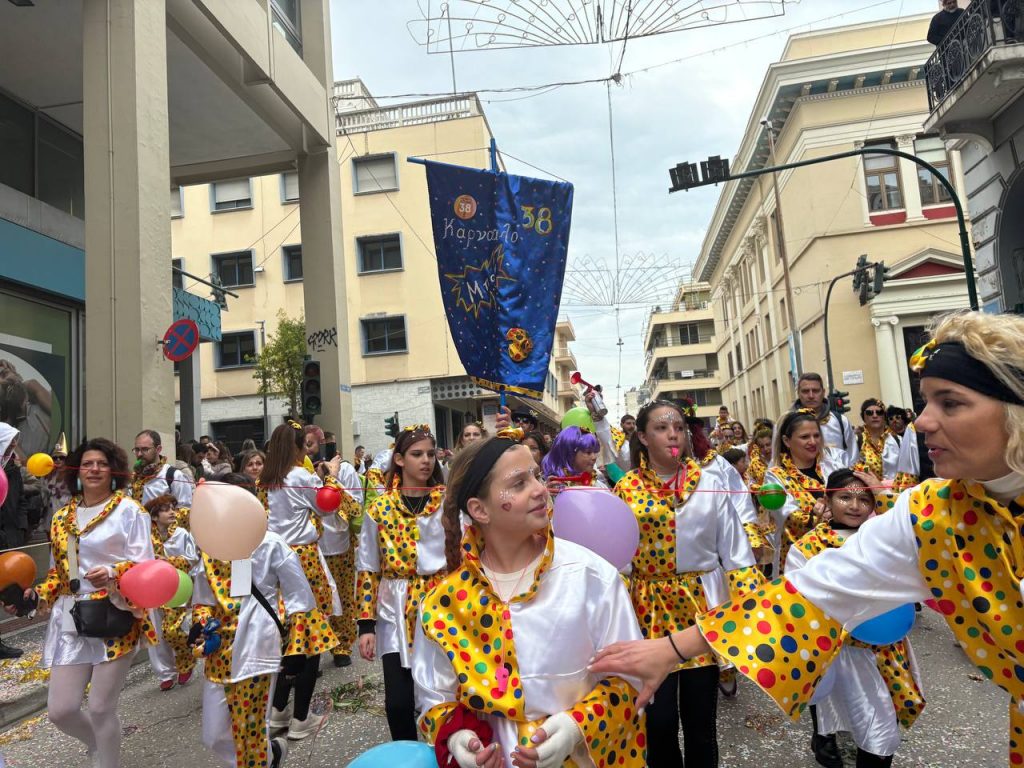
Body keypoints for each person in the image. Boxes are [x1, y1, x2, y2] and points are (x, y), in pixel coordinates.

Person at [591, 310, 1024, 766]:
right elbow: (813, 593)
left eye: (950, 403)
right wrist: (669, 649)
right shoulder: (935, 516)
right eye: (926, 402)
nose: (921, 422)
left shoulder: (708, 478)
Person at [413, 436, 646, 768]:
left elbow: (633, 678)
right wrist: (458, 739)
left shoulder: (589, 576)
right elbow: (435, 701)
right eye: (519, 483)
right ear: (479, 510)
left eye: (536, 475)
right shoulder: (442, 605)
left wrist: (576, 727)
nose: (540, 489)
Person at [612, 399, 757, 768]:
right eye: (661, 428)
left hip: (699, 611)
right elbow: (615, 556)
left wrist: (750, 609)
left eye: (677, 426)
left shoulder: (709, 484)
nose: (672, 433)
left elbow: (736, 551)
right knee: (658, 723)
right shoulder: (625, 489)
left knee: (700, 720)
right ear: (642, 436)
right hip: (646, 611)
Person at [16, 437, 157, 768]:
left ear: (114, 471)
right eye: (88, 463)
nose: (95, 469)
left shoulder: (129, 511)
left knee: (99, 707)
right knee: (60, 710)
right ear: (76, 470)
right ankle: (100, 744)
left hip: (116, 612)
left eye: (102, 464)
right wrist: (38, 595)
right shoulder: (62, 517)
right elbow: (58, 573)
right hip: (71, 617)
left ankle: (107, 760)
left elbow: (147, 566)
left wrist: (112, 572)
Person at [786, 469, 925, 768]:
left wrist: (885, 494)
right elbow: (797, 601)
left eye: (865, 498)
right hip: (837, 655)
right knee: (844, 734)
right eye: (845, 497)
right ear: (827, 499)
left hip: (884, 651)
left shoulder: (885, 539)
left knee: (881, 738)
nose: (855, 505)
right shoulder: (807, 547)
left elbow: (917, 526)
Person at [192, 473, 329, 768]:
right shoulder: (208, 545)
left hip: (258, 647)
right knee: (214, 735)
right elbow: (202, 600)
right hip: (219, 654)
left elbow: (301, 601)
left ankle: (258, 760)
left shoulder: (272, 544)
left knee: (249, 735)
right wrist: (200, 623)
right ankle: (271, 757)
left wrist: (297, 650)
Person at [356, 425, 447, 741]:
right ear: (398, 459)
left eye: (431, 454)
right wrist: (366, 625)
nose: (426, 461)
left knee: (441, 695)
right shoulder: (379, 509)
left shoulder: (447, 505)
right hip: (394, 606)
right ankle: (406, 756)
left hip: (439, 603)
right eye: (416, 454)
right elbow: (367, 567)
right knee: (397, 703)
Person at [261, 422, 343, 740]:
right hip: (303, 560)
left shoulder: (264, 480)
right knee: (311, 637)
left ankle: (279, 709)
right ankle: (300, 718)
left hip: (271, 561)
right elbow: (325, 508)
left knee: (287, 635)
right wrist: (331, 476)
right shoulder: (300, 476)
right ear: (298, 447)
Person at [763, 410, 849, 573]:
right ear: (787, 441)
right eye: (805, 437)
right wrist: (815, 516)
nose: (813, 442)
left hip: (839, 555)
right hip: (800, 561)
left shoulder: (833, 465)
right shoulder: (776, 475)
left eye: (816, 436)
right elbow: (787, 515)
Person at [305, 425, 362, 669]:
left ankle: (343, 644)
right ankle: (315, 647)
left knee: (343, 595)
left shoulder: (346, 469)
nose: (307, 451)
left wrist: (332, 478)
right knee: (314, 599)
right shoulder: (300, 474)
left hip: (338, 543)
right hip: (310, 546)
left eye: (311, 445)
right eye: (304, 446)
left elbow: (354, 505)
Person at [143, 494, 197, 692]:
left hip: (177, 585)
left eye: (173, 508)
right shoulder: (146, 537)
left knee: (173, 629)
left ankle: (186, 660)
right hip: (152, 587)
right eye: (166, 509)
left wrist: (168, 563)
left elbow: (192, 558)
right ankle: (166, 673)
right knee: (156, 632)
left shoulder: (181, 533)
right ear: (155, 516)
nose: (172, 512)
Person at [790, 373, 857, 466]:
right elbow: (777, 460)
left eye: (815, 391)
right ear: (798, 394)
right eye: (805, 391)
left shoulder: (840, 421)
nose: (811, 395)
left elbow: (853, 458)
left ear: (823, 392)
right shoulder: (787, 423)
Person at [130, 429, 194, 507]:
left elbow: (185, 509)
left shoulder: (174, 475)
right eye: (137, 450)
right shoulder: (134, 477)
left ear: (158, 449)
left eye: (145, 449)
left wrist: (159, 518)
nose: (139, 454)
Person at [854, 398, 900, 483]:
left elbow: (907, 473)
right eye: (869, 413)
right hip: (867, 494)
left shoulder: (898, 441)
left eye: (879, 412)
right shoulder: (856, 441)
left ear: (884, 416)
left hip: (894, 494)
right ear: (863, 417)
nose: (875, 415)